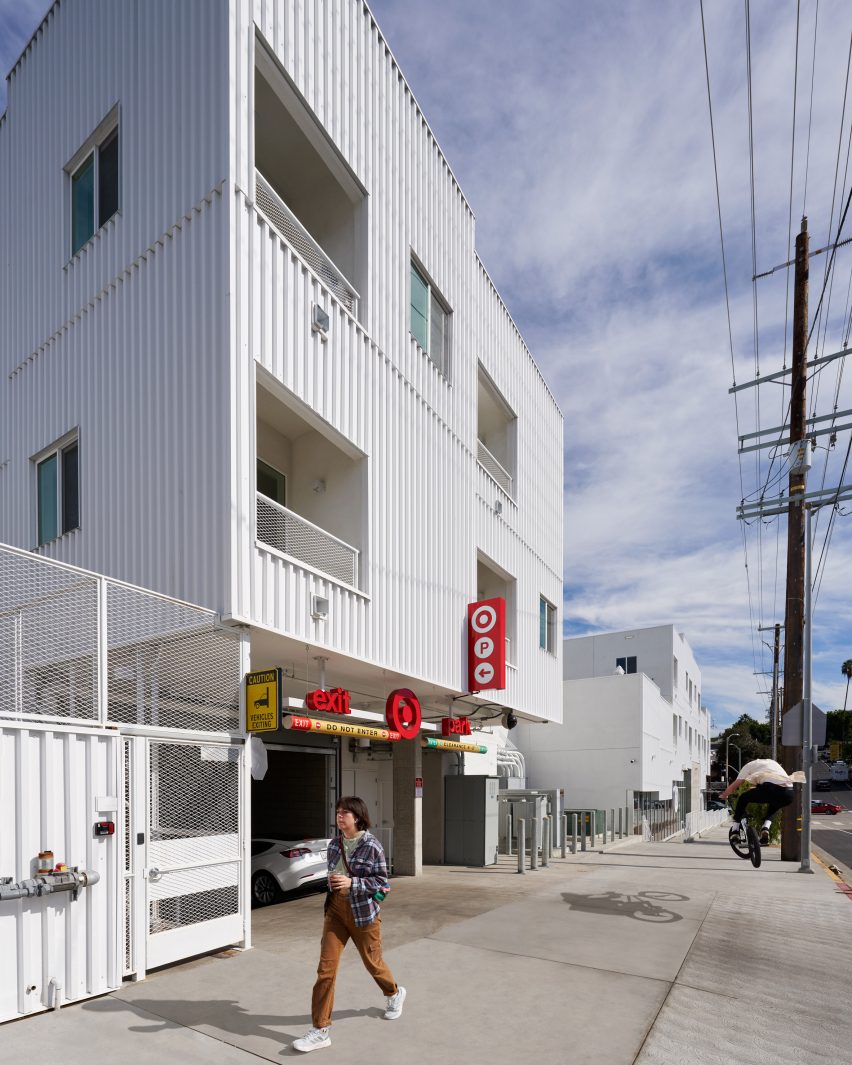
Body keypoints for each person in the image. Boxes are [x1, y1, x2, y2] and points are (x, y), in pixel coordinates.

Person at [293, 796, 406, 1054]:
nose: (340, 816)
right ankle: (321, 1030)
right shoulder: (335, 845)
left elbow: (383, 885)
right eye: (338, 812)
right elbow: (335, 875)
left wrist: (352, 883)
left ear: (358, 817)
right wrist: (333, 883)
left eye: (346, 813)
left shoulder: (372, 846)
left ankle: (394, 993)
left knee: (373, 964)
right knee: (325, 971)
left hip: (363, 914)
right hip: (335, 911)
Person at [719, 757, 805, 845]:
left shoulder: (747, 766)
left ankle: (735, 831)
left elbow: (735, 785)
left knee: (743, 798)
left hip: (770, 789)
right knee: (774, 804)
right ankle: (765, 828)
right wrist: (756, 789)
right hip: (788, 793)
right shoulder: (772, 763)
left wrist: (724, 795)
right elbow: (773, 782)